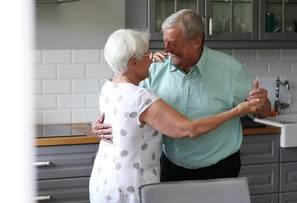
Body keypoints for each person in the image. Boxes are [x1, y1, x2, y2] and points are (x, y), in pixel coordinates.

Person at [92, 9, 271, 182]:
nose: (167, 49)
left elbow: (260, 112)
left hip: (219, 169)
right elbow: (128, 103)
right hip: (170, 168)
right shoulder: (153, 69)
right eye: (165, 42)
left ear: (196, 42)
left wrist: (262, 104)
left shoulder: (232, 71)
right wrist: (100, 124)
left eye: (173, 43)